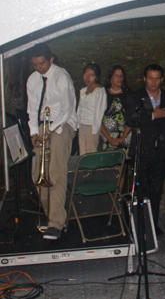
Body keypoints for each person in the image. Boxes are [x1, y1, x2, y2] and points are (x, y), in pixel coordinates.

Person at [27, 43, 78, 240]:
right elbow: (32, 109)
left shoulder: (61, 77)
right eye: (34, 64)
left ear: (51, 60)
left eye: (41, 63)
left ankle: (56, 222)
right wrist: (34, 133)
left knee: (56, 171)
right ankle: (51, 216)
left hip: (63, 124)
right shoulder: (32, 80)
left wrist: (51, 131)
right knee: (38, 175)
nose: (38, 67)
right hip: (43, 124)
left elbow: (67, 109)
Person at [125, 64, 165, 236]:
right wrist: (153, 115)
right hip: (142, 151)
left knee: (156, 190)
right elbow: (131, 120)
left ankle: (153, 225)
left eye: (157, 78)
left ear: (162, 79)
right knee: (141, 190)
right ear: (144, 79)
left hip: (161, 152)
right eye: (150, 78)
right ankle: (140, 224)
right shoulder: (135, 97)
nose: (153, 82)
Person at [100, 65, 132, 153]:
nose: (119, 78)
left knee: (122, 162)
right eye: (116, 75)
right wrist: (109, 138)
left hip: (125, 137)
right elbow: (98, 118)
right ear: (110, 78)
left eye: (121, 75)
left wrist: (122, 138)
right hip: (107, 136)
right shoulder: (103, 94)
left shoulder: (128, 95)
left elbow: (131, 118)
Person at [77, 62, 107, 155]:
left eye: (91, 75)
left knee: (90, 153)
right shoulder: (84, 91)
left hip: (91, 126)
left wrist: (95, 128)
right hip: (82, 125)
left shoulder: (99, 91)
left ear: (96, 77)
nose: (88, 77)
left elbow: (101, 110)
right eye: (86, 74)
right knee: (82, 152)